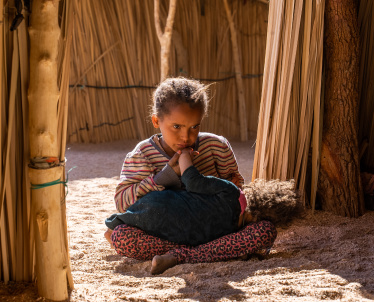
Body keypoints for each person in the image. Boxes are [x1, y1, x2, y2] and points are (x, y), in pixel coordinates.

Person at [105, 77, 289, 274]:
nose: (186, 137)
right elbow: (123, 203)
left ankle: (180, 255)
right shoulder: (141, 155)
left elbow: (236, 189)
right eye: (177, 127)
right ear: (156, 121)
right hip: (166, 235)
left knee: (265, 231)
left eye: (194, 126)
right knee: (121, 236)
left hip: (214, 232)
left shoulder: (217, 147)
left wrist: (224, 187)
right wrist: (164, 177)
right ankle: (198, 253)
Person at [105, 147, 303, 274]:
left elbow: (192, 181)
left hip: (156, 208)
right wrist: (183, 155)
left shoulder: (231, 193)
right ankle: (181, 255)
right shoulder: (235, 203)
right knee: (121, 232)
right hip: (164, 213)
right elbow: (191, 180)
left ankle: (174, 254)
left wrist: (184, 156)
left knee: (120, 234)